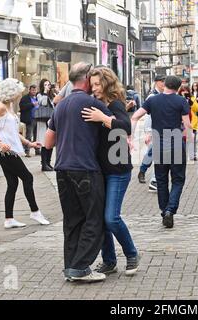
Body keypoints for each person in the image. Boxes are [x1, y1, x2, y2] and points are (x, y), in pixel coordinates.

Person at [44, 62, 113, 282]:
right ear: (86, 79)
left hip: (62, 168)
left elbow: (48, 142)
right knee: (95, 219)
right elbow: (117, 130)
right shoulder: (92, 104)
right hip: (85, 168)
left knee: (72, 220)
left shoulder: (61, 106)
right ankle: (81, 267)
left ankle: (71, 266)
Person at [80, 66, 140, 276]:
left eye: (98, 84)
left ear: (107, 83)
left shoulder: (114, 103)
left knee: (111, 218)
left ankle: (132, 254)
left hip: (118, 168)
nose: (94, 88)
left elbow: (126, 127)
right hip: (99, 170)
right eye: (92, 84)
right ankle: (109, 261)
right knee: (101, 218)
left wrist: (102, 118)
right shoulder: (93, 103)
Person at [0, 78, 49, 229]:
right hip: (3, 151)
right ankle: (35, 212)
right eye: (18, 93)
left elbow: (13, 132)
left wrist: (30, 143)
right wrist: (1, 143)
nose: (20, 95)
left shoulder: (9, 106)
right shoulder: (0, 107)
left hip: (9, 149)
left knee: (13, 183)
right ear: (11, 93)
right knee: (27, 177)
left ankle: (9, 219)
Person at [131, 75, 192, 229]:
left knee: (162, 180)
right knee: (178, 180)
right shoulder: (181, 101)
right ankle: (170, 210)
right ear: (178, 88)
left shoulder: (152, 100)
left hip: (159, 144)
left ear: (164, 85)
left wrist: (130, 136)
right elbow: (187, 125)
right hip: (176, 143)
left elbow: (136, 116)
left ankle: (164, 210)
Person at [137, 75, 166, 193]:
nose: (164, 83)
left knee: (154, 154)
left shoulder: (162, 95)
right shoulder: (152, 96)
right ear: (156, 82)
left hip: (161, 130)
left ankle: (143, 171)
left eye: (165, 81)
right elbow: (148, 116)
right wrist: (148, 132)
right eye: (162, 81)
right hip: (154, 130)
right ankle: (154, 180)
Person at [36, 78, 55, 171]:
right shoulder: (39, 95)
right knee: (44, 143)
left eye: (49, 84)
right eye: (45, 85)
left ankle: (48, 162)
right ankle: (44, 164)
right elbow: (43, 103)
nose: (48, 86)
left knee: (51, 142)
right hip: (43, 121)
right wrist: (44, 92)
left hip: (51, 121)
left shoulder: (52, 95)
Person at [179, 86, 198, 161]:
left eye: (186, 91)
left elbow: (197, 108)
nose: (185, 92)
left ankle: (193, 155)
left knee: (193, 139)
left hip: (191, 122)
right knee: (182, 140)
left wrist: (191, 99)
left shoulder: (191, 99)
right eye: (183, 91)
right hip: (181, 123)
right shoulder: (177, 99)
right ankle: (182, 156)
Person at [19, 84, 39, 157]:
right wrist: (32, 104)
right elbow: (22, 106)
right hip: (29, 119)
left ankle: (37, 150)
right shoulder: (25, 98)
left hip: (37, 118)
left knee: (36, 135)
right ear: (29, 90)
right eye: (32, 90)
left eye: (35, 90)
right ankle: (27, 151)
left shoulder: (37, 97)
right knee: (29, 135)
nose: (34, 91)